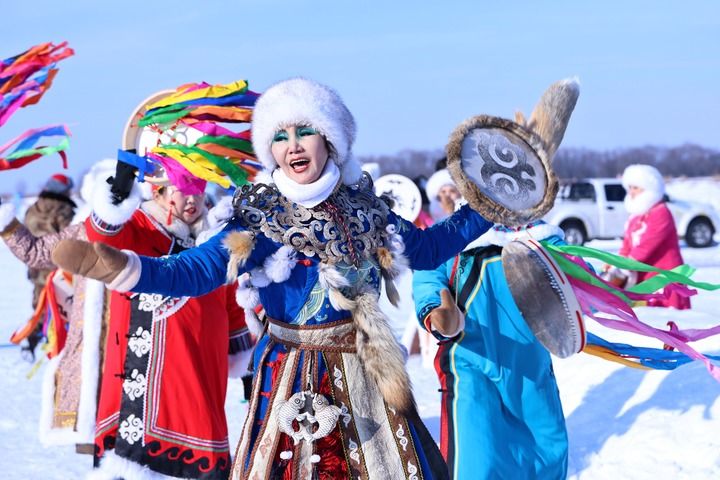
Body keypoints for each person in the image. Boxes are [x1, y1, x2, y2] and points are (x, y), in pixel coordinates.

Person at [53, 77, 494, 479]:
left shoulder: (367, 210)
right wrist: (125, 268)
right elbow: (199, 268)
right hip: (294, 379)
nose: (292, 145)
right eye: (280, 137)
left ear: (330, 139)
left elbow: (428, 248)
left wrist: (492, 203)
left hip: (368, 372)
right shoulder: (265, 217)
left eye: (304, 131)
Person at [81, 161, 252, 480]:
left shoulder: (215, 234)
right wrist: (115, 198)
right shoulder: (141, 225)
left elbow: (231, 297)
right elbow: (102, 237)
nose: (193, 200)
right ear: (158, 192)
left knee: (203, 448)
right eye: (183, 191)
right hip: (147, 373)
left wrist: (245, 360)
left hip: (204, 366)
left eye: (198, 190)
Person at [413, 220, 569, 479]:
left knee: (543, 461)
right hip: (471, 367)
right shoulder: (451, 235)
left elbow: (577, 279)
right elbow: (428, 275)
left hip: (531, 370)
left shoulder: (543, 238)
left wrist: (590, 285)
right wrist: (438, 312)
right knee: (476, 462)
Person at [0, 161, 114, 453]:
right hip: (62, 285)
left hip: (50, 279)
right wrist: (7, 223)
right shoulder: (79, 226)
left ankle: (33, 341)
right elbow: (38, 249)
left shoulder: (35, 209)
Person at [611, 164, 690, 309]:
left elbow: (646, 246)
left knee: (666, 319)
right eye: (630, 187)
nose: (631, 192)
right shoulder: (636, 216)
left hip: (664, 278)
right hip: (644, 277)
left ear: (649, 189)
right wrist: (616, 264)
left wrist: (624, 266)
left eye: (636, 188)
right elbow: (627, 245)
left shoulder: (661, 212)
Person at [19, 173, 77, 358]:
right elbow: (71, 239)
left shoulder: (32, 209)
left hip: (36, 268)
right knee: (63, 309)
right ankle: (58, 345)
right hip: (59, 271)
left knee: (40, 307)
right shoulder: (64, 211)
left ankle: (32, 339)